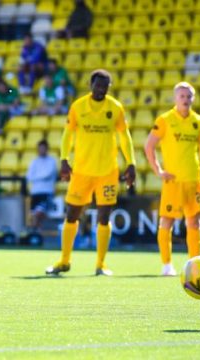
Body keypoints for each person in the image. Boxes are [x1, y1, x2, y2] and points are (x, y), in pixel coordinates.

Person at [46, 69, 136, 277]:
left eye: (105, 86)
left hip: (107, 171)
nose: (101, 89)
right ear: (90, 85)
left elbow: (125, 136)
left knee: (104, 218)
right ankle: (64, 261)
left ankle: (101, 264)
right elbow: (68, 134)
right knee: (72, 215)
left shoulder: (115, 108)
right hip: (82, 171)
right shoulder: (78, 107)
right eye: (98, 85)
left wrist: (131, 163)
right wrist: (64, 159)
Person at [144, 82, 200, 276]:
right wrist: (158, 170)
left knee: (194, 222)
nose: (185, 99)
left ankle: (195, 265)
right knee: (167, 222)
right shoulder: (165, 120)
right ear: (175, 98)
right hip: (173, 181)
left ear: (193, 98)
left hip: (193, 180)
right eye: (182, 96)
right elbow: (149, 146)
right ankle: (167, 265)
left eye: (189, 96)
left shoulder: (199, 121)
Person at [26, 140, 58, 233]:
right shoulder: (34, 162)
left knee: (40, 213)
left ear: (47, 149)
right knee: (34, 214)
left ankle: (36, 231)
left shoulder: (52, 161)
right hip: (35, 192)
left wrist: (36, 177)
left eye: (43, 148)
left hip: (46, 192)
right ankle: (37, 232)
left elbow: (47, 175)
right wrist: (39, 177)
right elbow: (29, 176)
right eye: (40, 148)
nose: (41, 150)